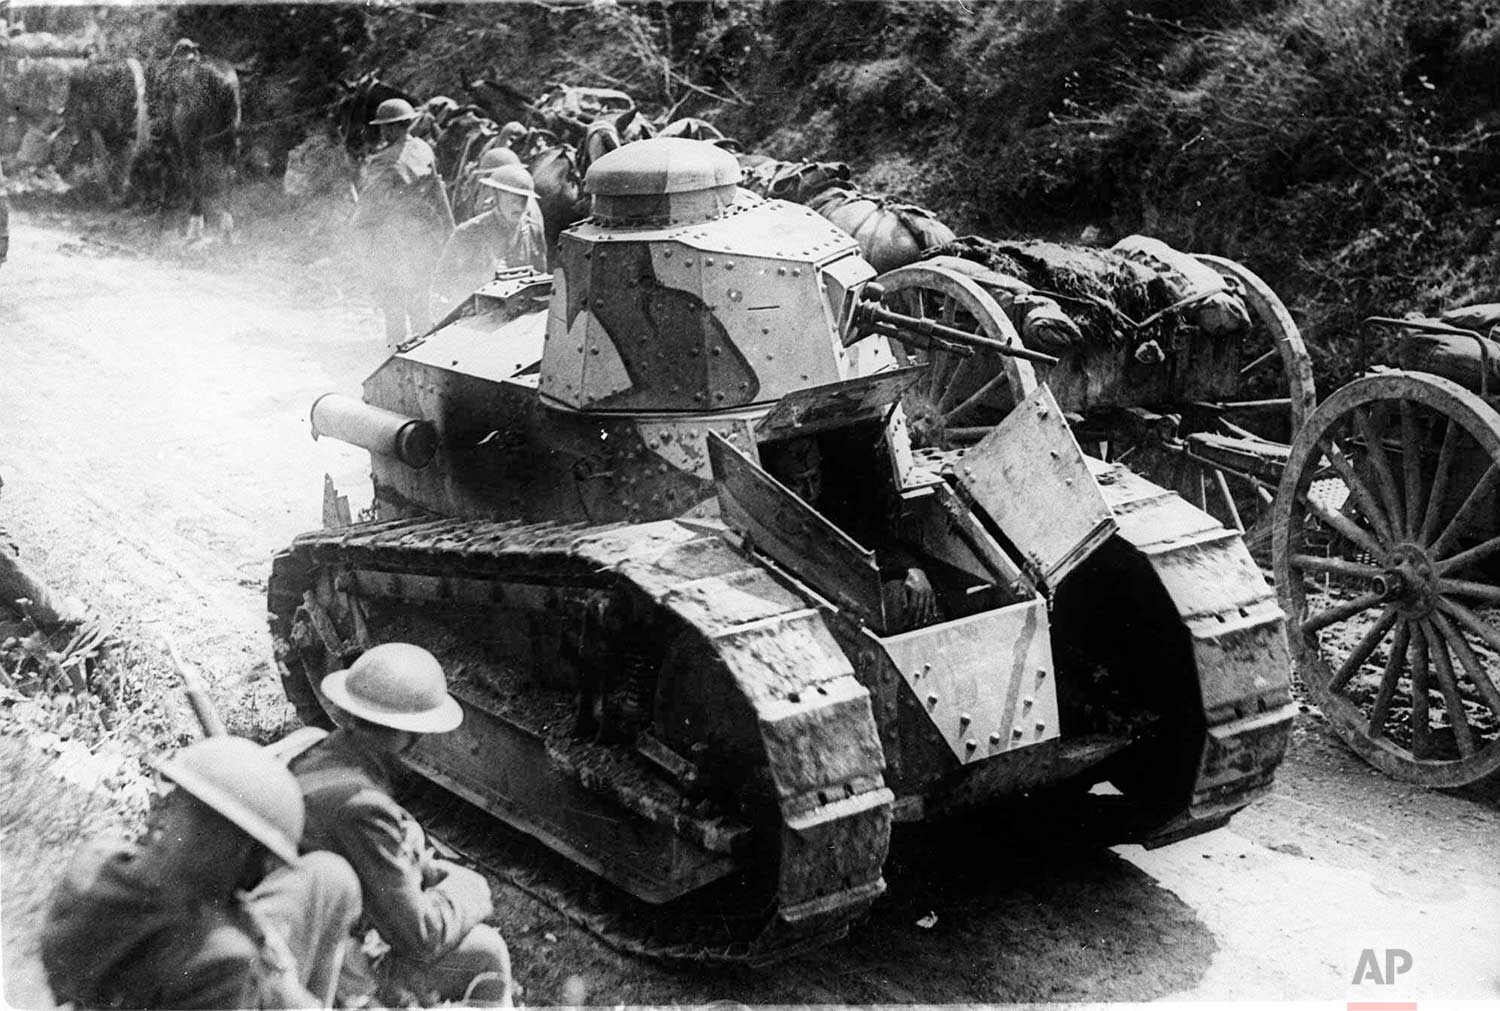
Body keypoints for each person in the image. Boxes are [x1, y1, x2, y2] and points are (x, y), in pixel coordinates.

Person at [42, 736, 363, 1009]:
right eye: (261, 858)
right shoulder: (224, 954)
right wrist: (277, 978)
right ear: (243, 854)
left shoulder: (97, 860)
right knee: (335, 879)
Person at [289, 643, 513, 1007]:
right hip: (328, 968)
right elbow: (421, 936)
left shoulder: (318, 753)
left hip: (304, 938)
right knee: (487, 951)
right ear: (409, 733)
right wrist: (471, 890)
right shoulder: (361, 806)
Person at [761, 435, 939, 630]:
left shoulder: (835, 509)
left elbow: (878, 542)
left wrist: (912, 569)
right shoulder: (764, 515)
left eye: (814, 478)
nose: (810, 491)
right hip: (805, 612)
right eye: (797, 482)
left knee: (902, 595)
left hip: (852, 606)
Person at [351, 97, 454, 349]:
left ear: (395, 127)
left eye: (386, 126)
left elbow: (370, 204)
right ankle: (429, 353)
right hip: (424, 239)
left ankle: (394, 357)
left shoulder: (384, 161)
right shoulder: (423, 149)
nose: (383, 131)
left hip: (394, 243)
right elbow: (438, 192)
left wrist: (356, 227)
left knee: (393, 303)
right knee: (420, 303)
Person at [429, 163, 548, 316]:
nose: (519, 208)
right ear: (496, 196)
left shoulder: (533, 230)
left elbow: (541, 277)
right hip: (477, 317)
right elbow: (442, 283)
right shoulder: (468, 233)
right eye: (512, 201)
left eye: (523, 201)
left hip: (519, 316)